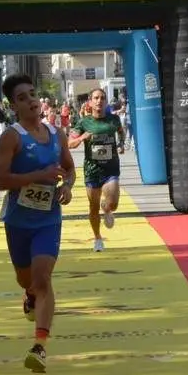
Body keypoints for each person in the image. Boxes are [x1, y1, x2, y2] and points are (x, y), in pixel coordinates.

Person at [0, 73, 76, 373]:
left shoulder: (56, 134)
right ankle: (28, 295)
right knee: (26, 281)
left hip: (48, 220)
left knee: (43, 278)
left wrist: (67, 186)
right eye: (22, 98)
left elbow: (68, 168)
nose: (31, 101)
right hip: (17, 221)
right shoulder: (11, 137)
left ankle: (39, 347)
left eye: (32, 94)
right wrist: (35, 177)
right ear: (14, 106)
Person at [69, 87, 126, 252]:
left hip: (111, 169)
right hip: (92, 170)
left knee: (113, 203)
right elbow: (68, 144)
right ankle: (98, 239)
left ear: (106, 101)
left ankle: (107, 208)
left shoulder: (113, 120)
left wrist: (121, 144)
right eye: (95, 98)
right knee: (93, 208)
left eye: (102, 98)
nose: (99, 101)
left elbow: (121, 132)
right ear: (90, 102)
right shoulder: (83, 122)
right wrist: (81, 138)